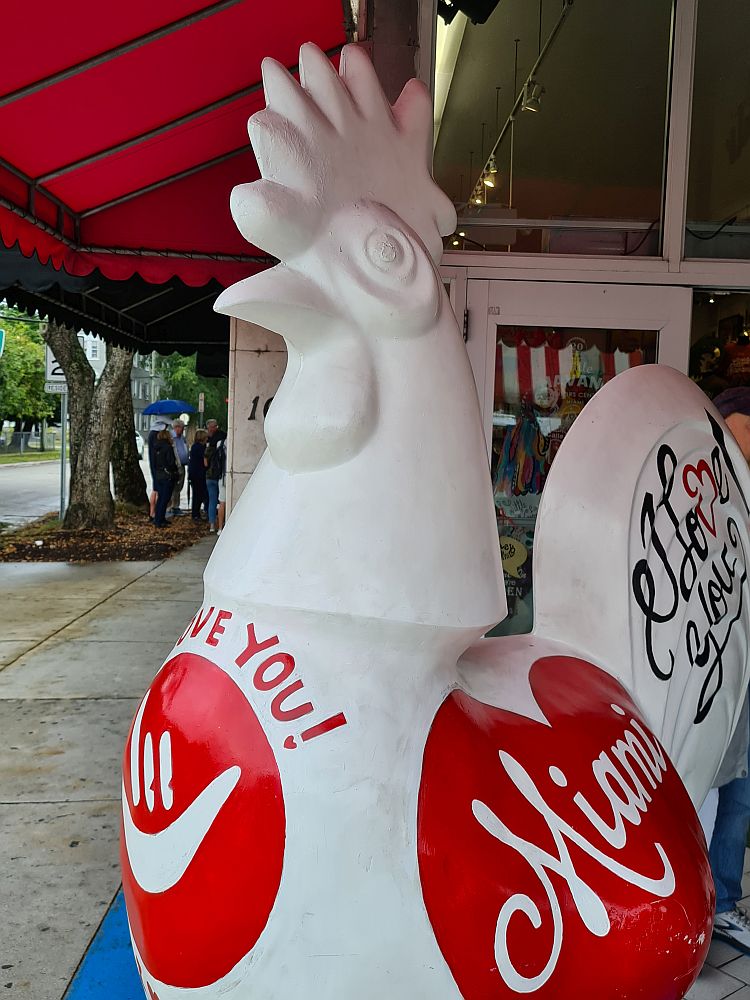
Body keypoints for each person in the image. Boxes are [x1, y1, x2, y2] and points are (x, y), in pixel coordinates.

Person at [707, 386, 750, 953]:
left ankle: (721, 899)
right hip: (700, 669)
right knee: (698, 785)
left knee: (740, 786)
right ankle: (691, 897)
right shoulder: (698, 499)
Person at [151, 427, 178, 528]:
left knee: (161, 498)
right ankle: (160, 520)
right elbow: (171, 462)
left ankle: (158, 518)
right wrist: (174, 470)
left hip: (159, 475)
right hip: (167, 475)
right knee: (165, 499)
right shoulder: (168, 447)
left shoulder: (156, 447)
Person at [204, 418, 227, 533]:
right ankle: (221, 525)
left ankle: (212, 524)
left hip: (210, 475)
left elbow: (205, 462)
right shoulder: (223, 439)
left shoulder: (207, 443)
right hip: (220, 475)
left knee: (213, 500)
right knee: (222, 500)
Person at [147, 419, 170, 522]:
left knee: (157, 492)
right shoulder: (161, 443)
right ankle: (155, 515)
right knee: (160, 495)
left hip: (157, 470)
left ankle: (154, 514)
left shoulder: (154, 439)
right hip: (162, 472)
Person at [169, 419, 189, 516]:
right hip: (176, 466)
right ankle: (173, 506)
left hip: (183, 465)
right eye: (180, 428)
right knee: (174, 487)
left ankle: (175, 505)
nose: (181, 430)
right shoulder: (171, 438)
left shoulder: (182, 438)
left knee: (179, 486)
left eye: (182, 428)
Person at [189, 429, 209, 521]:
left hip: (194, 473)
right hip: (199, 474)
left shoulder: (194, 447)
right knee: (200, 494)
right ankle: (197, 514)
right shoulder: (201, 448)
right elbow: (205, 462)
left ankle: (195, 513)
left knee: (196, 494)